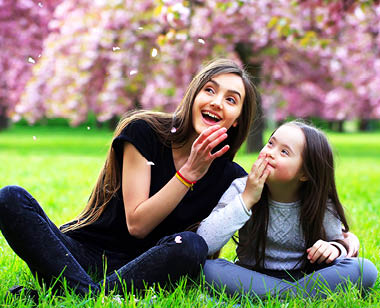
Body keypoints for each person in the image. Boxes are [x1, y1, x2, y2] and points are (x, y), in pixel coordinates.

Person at [0, 59, 258, 297]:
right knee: (10, 198)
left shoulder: (232, 178)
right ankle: (91, 295)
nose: (216, 102)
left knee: (191, 245)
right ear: (194, 95)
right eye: (210, 90)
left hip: (148, 270)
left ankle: (78, 293)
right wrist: (188, 174)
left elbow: (262, 240)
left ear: (236, 120)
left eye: (231, 100)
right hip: (83, 254)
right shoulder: (145, 131)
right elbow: (137, 224)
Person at [197, 120, 378, 298]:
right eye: (270, 144)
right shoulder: (241, 188)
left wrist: (334, 248)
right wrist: (247, 199)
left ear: (305, 173)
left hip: (305, 277)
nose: (270, 153)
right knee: (206, 268)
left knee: (365, 269)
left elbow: (339, 244)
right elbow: (205, 242)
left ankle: (278, 296)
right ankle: (295, 297)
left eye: (284, 152)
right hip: (251, 275)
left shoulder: (320, 202)